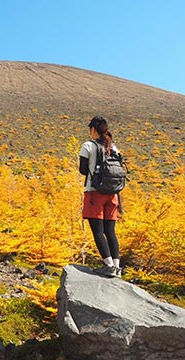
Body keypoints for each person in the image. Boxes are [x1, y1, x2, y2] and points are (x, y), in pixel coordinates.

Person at [79, 116, 122, 278]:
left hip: (94, 193)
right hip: (113, 194)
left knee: (97, 230)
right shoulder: (114, 147)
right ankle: (117, 267)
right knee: (110, 231)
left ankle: (108, 265)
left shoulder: (88, 146)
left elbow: (83, 170)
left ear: (93, 130)